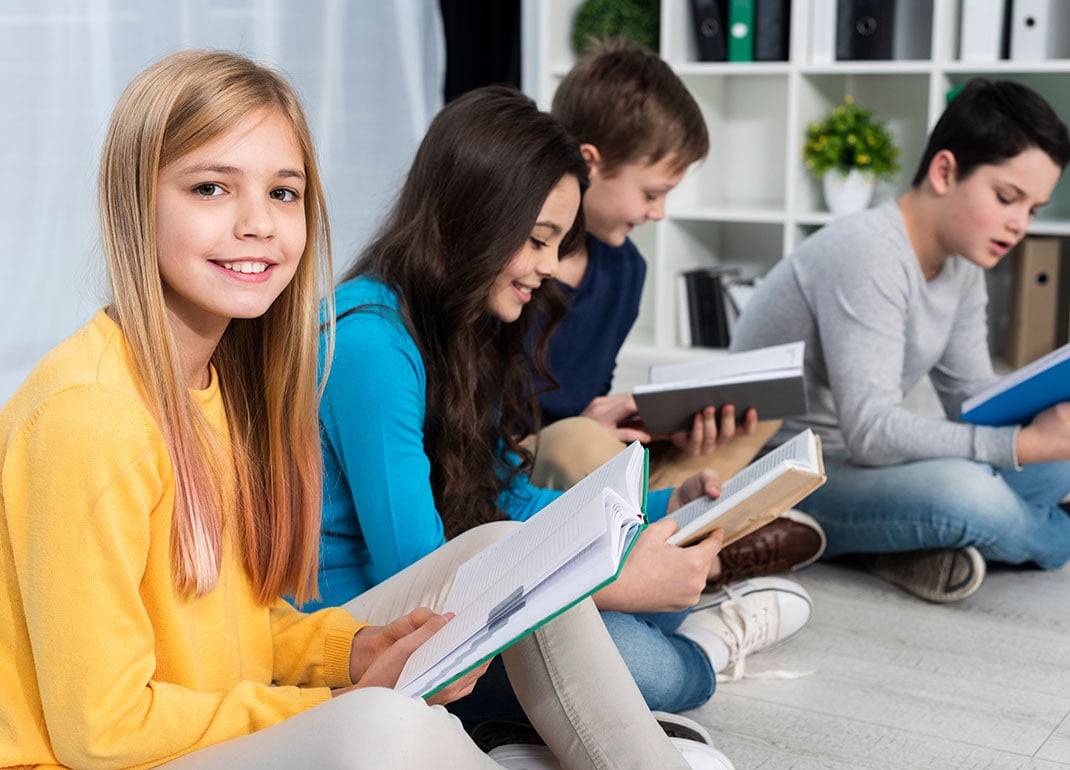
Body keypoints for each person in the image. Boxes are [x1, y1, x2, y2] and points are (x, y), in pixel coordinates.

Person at [0, 49, 730, 770]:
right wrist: (340, 701)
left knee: (493, 555)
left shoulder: (218, 386)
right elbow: (102, 732)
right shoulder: (91, 421)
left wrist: (351, 652)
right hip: (110, 758)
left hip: (210, 717)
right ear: (134, 200)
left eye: (283, 193)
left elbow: (245, 629)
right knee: (385, 727)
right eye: (211, 189)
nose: (258, 223)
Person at [313, 83, 813, 722]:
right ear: (476, 218)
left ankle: (633, 657)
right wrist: (613, 581)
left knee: (660, 579)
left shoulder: (461, 327)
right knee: (652, 667)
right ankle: (706, 652)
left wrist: (663, 509)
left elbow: (505, 493)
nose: (551, 267)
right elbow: (421, 576)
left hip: (434, 610)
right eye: (540, 238)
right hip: (366, 635)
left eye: (560, 242)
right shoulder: (371, 344)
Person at [730, 78, 1070, 603]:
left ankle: (902, 544)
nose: (1019, 224)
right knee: (972, 496)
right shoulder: (867, 251)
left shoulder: (963, 262)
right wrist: (1019, 445)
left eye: (1032, 210)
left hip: (868, 465)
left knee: (1055, 464)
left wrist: (1043, 422)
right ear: (944, 171)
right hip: (793, 470)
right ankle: (1051, 538)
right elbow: (870, 431)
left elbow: (971, 404)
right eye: (1007, 198)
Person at [520, 39, 827, 590]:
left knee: (756, 417)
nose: (659, 214)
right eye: (651, 193)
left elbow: (593, 387)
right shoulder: (516, 264)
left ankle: (685, 536)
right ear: (589, 164)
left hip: (592, 465)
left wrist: (655, 424)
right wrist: (588, 431)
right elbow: (473, 423)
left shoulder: (626, 269)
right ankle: (705, 547)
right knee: (578, 443)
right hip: (520, 464)